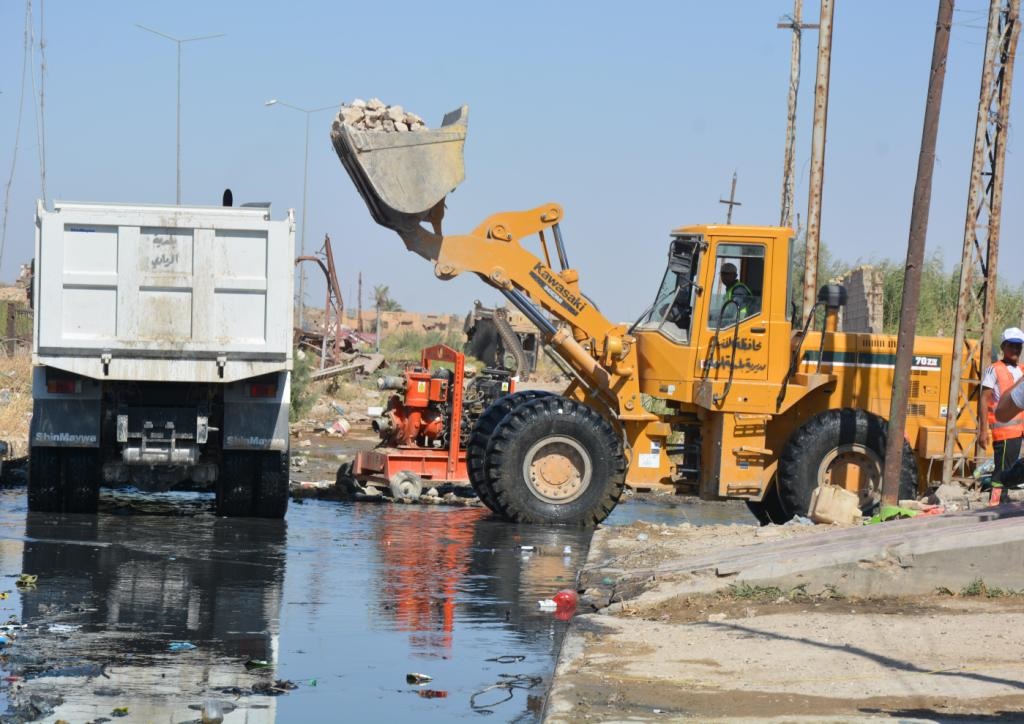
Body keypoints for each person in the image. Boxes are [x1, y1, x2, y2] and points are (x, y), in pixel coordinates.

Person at [982, 327, 1024, 500]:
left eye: (1018, 346)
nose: (1015, 350)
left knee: (1014, 474)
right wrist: (982, 430)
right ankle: (996, 504)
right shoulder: (994, 369)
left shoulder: (1022, 370)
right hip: (1005, 431)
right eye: (1012, 346)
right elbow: (984, 399)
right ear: (1003, 346)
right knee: (1002, 473)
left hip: (1020, 430)